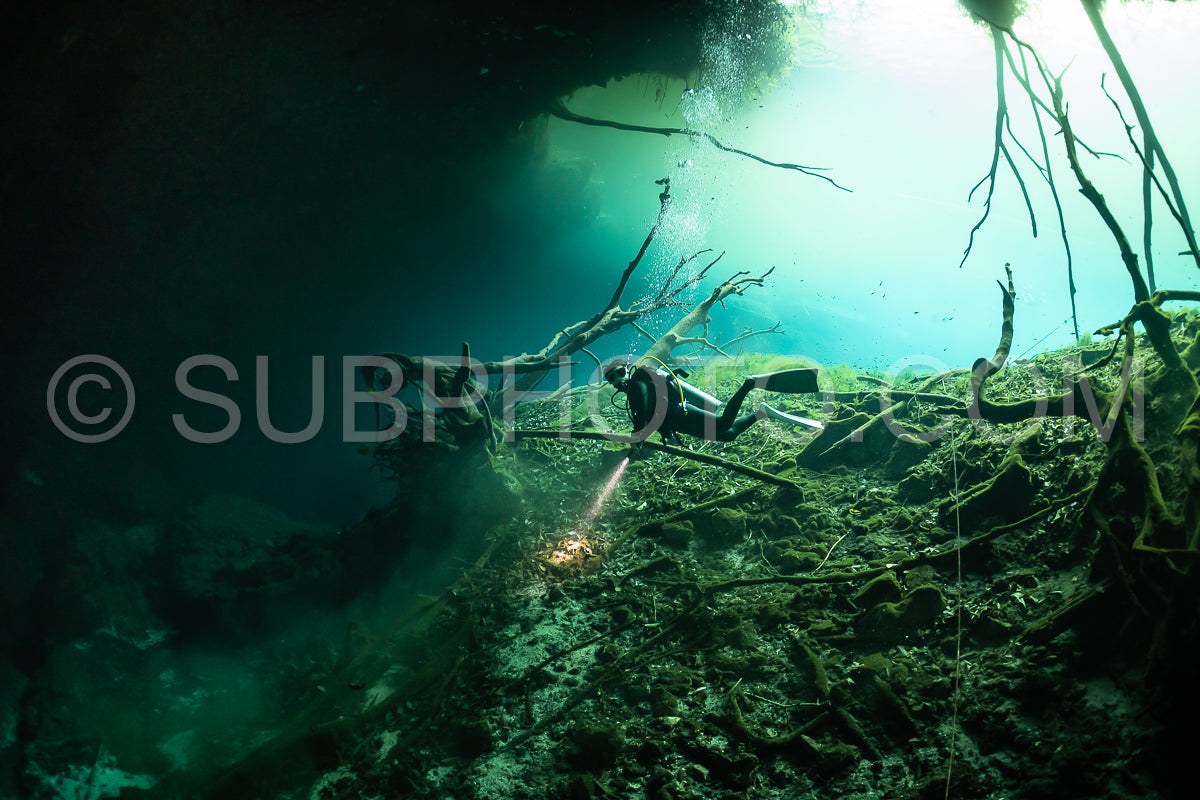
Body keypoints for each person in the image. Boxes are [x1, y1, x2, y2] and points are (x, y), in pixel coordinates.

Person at [604, 359, 821, 445]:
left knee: (725, 424)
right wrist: (665, 434)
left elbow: (643, 410)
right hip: (677, 421)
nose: (618, 379)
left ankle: (748, 384)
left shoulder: (637, 384)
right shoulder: (636, 388)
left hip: (683, 413)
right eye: (612, 377)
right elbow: (654, 414)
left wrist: (638, 434)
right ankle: (761, 413)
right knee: (728, 435)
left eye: (620, 372)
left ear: (627, 369)